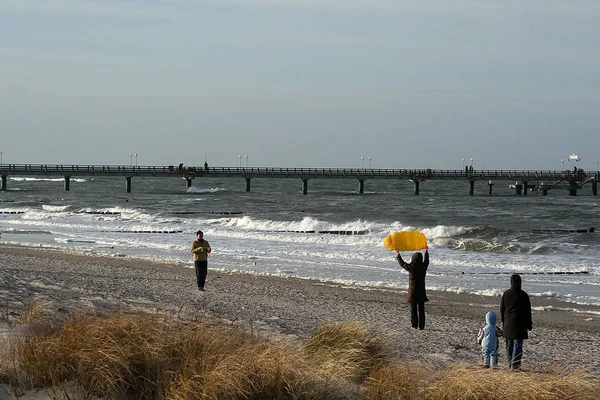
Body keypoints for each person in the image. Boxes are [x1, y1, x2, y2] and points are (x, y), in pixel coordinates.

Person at [500, 274, 532, 370]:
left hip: (508, 323)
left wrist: (503, 321)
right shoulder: (524, 295)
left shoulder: (506, 294)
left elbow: (502, 309)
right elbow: (528, 311)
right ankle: (515, 366)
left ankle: (510, 365)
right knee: (518, 346)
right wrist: (529, 324)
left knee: (509, 345)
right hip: (520, 323)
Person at [395, 247, 429, 330]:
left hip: (413, 292)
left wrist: (398, 255)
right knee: (421, 309)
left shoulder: (411, 267)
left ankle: (414, 325)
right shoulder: (423, 267)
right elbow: (427, 261)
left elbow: (402, 264)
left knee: (413, 309)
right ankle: (421, 326)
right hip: (421, 291)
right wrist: (426, 252)